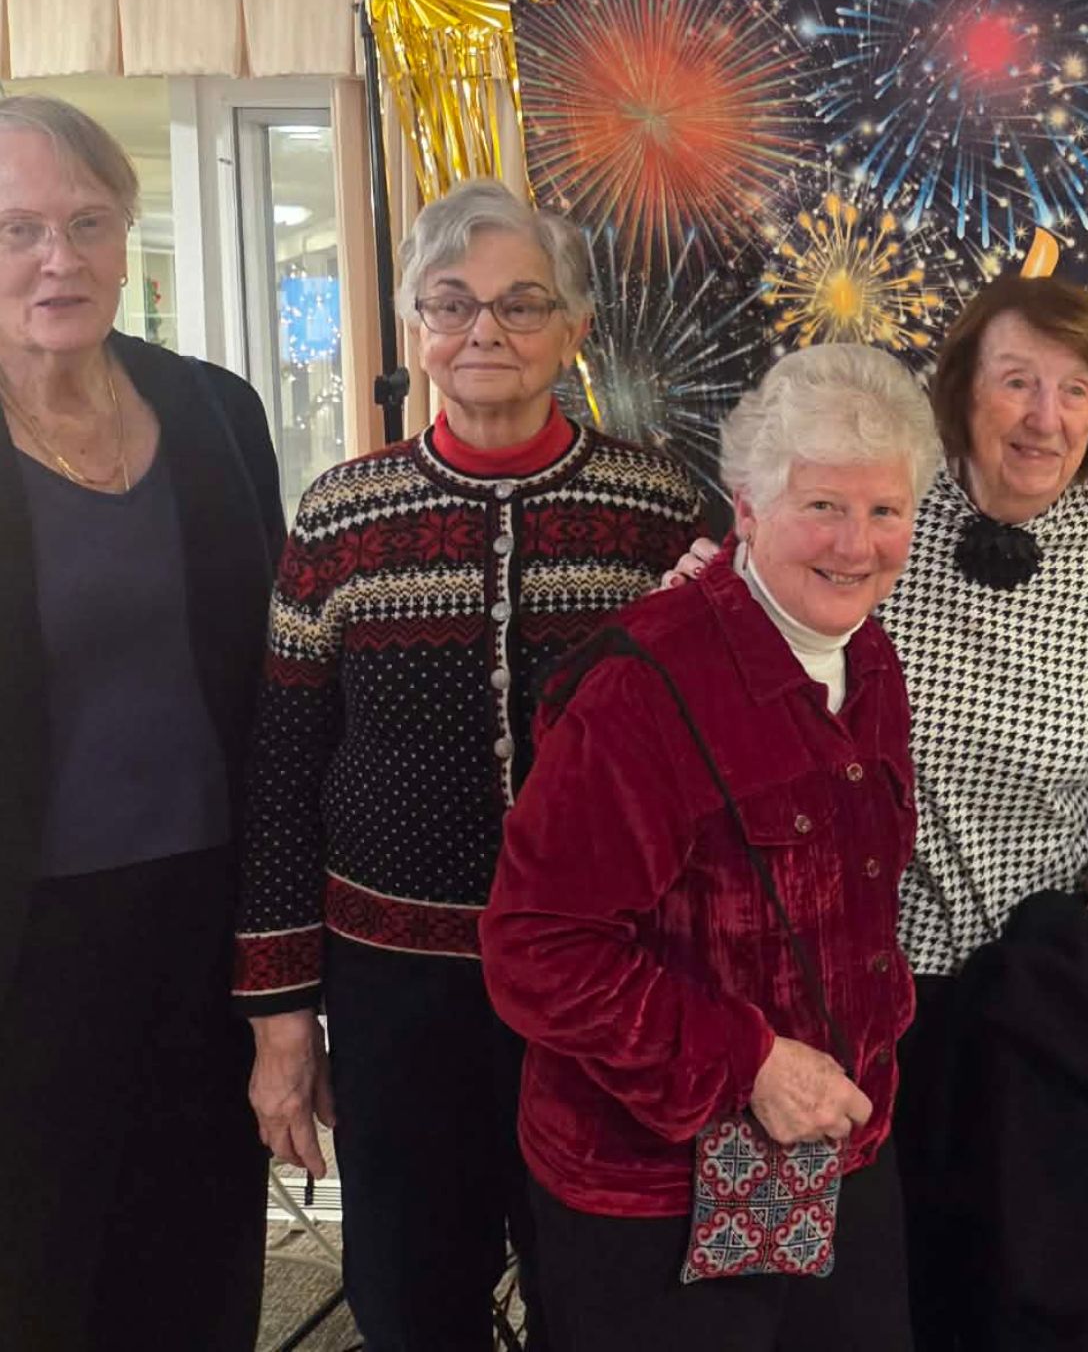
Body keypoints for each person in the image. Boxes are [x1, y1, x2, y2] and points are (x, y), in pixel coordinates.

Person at [231, 177, 704, 1350]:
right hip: (397, 994)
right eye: (451, 304)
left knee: (601, 1289)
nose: (483, 329)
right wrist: (283, 1021)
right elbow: (284, 773)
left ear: (576, 329)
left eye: (520, 303)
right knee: (410, 1292)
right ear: (416, 326)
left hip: (605, 985)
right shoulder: (341, 515)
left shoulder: (659, 511)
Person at [670, 273, 1088, 1348]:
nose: (1044, 415)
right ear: (960, 392)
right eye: (1016, 381)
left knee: (1045, 1276)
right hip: (861, 972)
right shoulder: (879, 511)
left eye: (1073, 388)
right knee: (871, 1283)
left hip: (1038, 971)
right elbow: (752, 626)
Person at [480, 342, 942, 1349]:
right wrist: (746, 1062)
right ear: (746, 504)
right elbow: (538, 953)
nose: (857, 545)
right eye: (822, 505)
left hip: (834, 1152)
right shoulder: (638, 692)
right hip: (652, 1194)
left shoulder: (868, 658)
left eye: (884, 510)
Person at [0, 92, 277, 1352]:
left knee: (201, 1248)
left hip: (209, 924)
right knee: (39, 1261)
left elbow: (273, 677)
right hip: (30, 937)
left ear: (125, 236)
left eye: (85, 221)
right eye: (14, 230)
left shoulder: (217, 413)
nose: (56, 259)